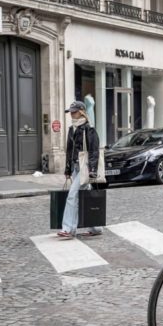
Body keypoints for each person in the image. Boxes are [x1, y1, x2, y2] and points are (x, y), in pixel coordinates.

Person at [58, 101, 103, 239]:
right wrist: (68, 169)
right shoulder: (72, 129)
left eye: (74, 112)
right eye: (70, 112)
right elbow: (69, 151)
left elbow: (94, 151)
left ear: (82, 111)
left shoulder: (89, 130)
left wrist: (93, 170)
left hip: (86, 168)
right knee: (86, 198)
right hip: (76, 168)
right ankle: (96, 227)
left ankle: (68, 229)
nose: (71, 114)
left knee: (73, 195)